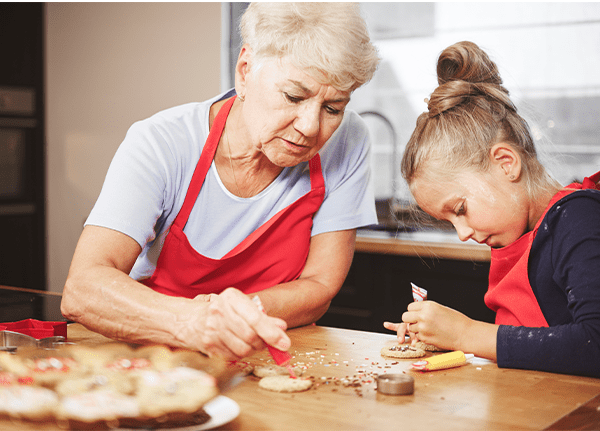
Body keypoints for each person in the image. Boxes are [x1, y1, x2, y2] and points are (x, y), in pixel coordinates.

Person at [61, 3, 380, 360]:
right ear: (245, 72)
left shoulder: (349, 140)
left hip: (267, 352)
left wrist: (231, 315)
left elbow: (320, 286)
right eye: (293, 96)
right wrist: (194, 322)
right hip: (153, 356)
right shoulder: (161, 143)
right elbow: (83, 288)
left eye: (333, 108)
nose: (310, 126)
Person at [383, 41, 600, 378]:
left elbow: (594, 344)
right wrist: (443, 338)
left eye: (460, 208)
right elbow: (527, 344)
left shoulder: (579, 220)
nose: (463, 233)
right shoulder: (512, 233)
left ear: (505, 164)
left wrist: (468, 334)